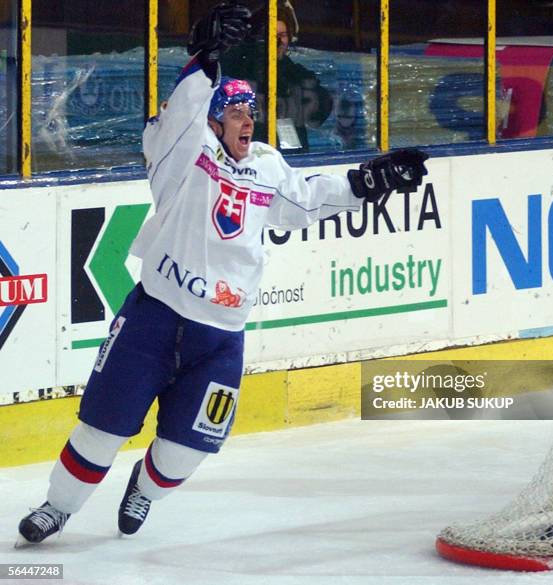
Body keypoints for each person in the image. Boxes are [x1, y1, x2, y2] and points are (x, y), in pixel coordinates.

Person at [16, 2, 428, 545]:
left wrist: (366, 183)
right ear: (211, 119)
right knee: (102, 431)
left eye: (250, 110)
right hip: (154, 320)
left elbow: (304, 202)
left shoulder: (265, 163)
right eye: (235, 111)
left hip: (221, 337)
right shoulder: (179, 153)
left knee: (185, 454)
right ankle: (57, 508)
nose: (247, 119)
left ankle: (143, 488)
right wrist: (204, 59)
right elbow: (183, 115)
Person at [221, 1, 332, 153]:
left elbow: (320, 112)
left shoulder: (297, 75)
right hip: (249, 160)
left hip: (291, 160)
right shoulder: (238, 69)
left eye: (282, 35)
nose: (278, 42)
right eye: (271, 36)